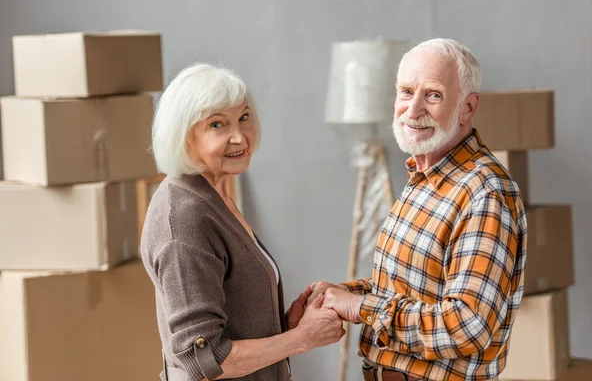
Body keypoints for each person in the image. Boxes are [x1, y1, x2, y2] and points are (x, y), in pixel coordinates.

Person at [310, 39, 527, 381]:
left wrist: (362, 309)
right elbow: (411, 289)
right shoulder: (425, 175)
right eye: (406, 91)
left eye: (434, 95)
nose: (413, 110)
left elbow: (467, 325)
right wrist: (342, 294)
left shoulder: (485, 192)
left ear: (468, 108)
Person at [141, 63, 345, 381]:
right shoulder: (183, 219)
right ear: (184, 137)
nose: (239, 137)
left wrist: (286, 324)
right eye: (217, 125)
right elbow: (202, 360)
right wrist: (302, 338)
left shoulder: (212, 193)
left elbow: (231, 313)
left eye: (244, 118)